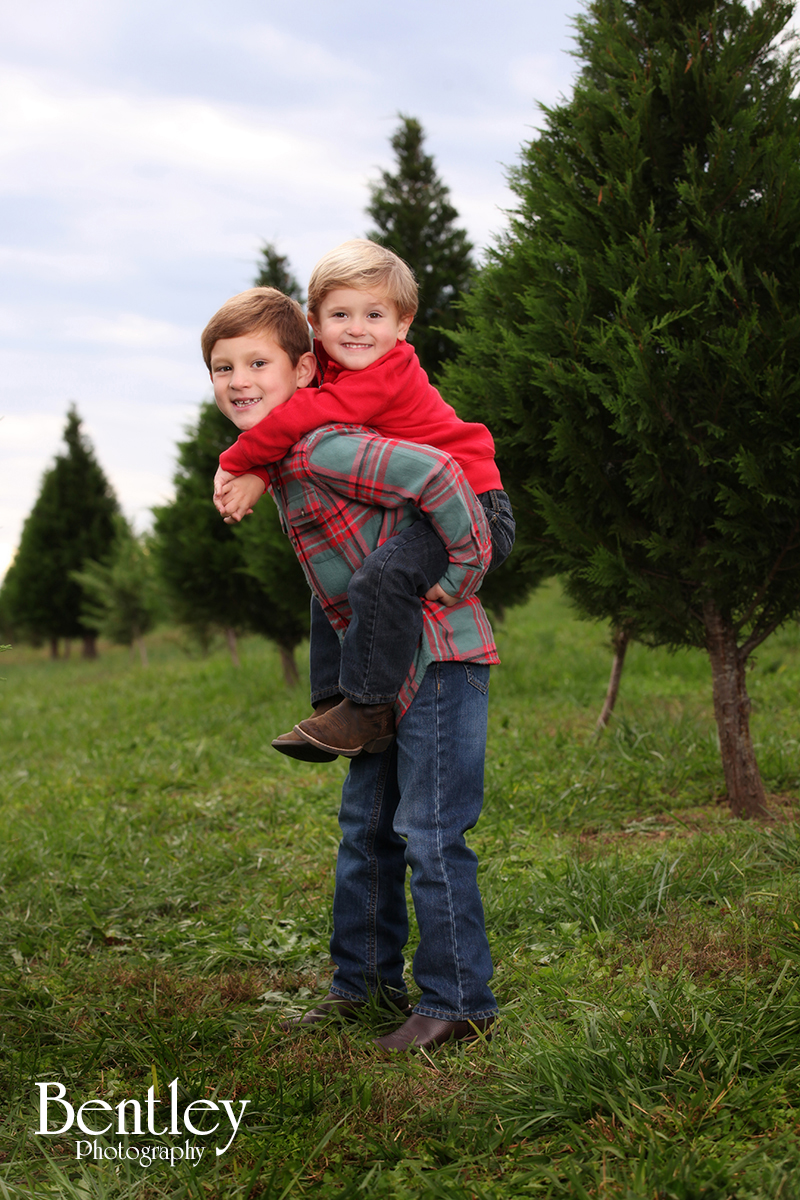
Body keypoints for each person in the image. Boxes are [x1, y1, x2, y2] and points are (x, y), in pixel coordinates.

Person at [201, 286, 499, 1051]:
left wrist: (463, 571)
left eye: (256, 363)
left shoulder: (322, 446)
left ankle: (459, 1002)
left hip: (436, 658)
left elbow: (440, 476)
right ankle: (361, 985)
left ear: (304, 371)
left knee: (429, 831)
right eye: (221, 367)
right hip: (377, 677)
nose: (237, 380)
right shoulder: (286, 457)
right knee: (366, 831)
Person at [209, 240, 514, 761]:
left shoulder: (384, 372)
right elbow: (297, 417)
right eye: (340, 314)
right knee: (335, 584)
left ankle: (367, 711)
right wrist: (261, 469)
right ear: (315, 321)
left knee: (380, 575)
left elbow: (302, 418)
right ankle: (333, 700)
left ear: (403, 325)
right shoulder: (333, 371)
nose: (356, 328)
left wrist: (238, 461)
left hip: (475, 506)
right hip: (432, 506)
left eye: (374, 314)